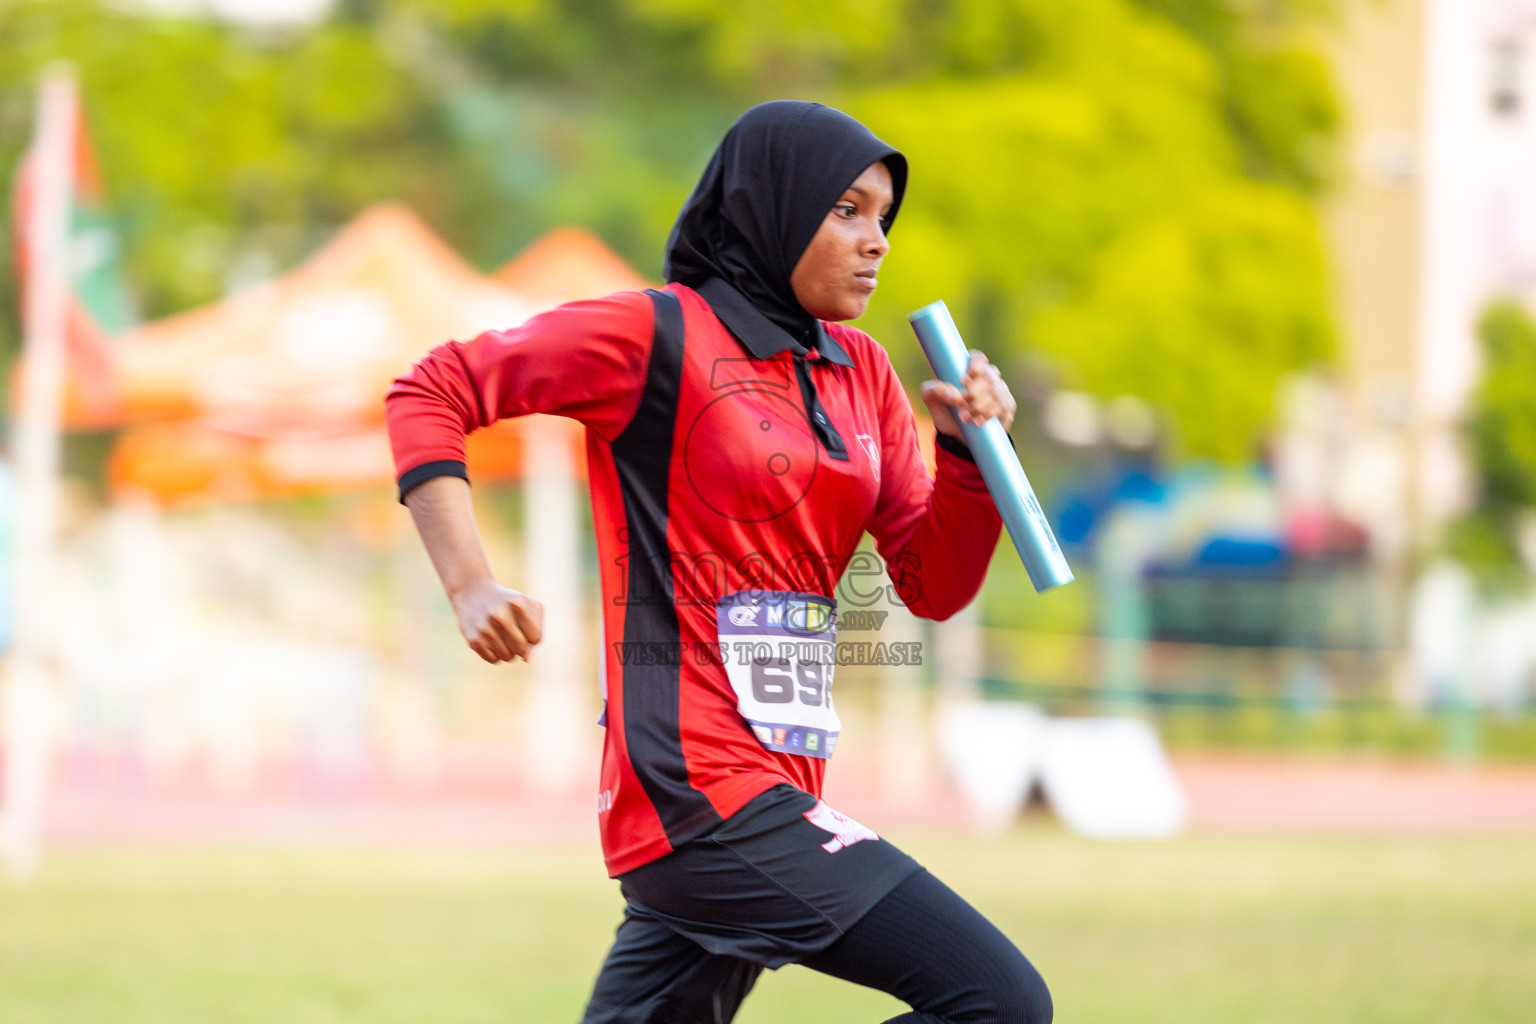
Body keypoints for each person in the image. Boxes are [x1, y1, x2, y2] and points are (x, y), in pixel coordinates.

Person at [384, 100, 1052, 1024]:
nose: (877, 242)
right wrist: (467, 582)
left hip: (776, 784)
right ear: (772, 206)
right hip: (700, 795)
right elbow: (433, 388)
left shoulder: (863, 372)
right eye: (847, 210)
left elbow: (931, 585)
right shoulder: (653, 335)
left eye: (885, 218)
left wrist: (969, 458)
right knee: (999, 1002)